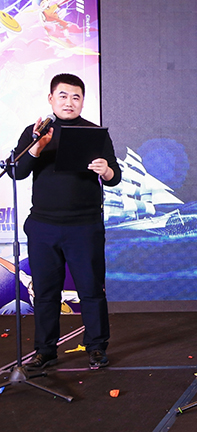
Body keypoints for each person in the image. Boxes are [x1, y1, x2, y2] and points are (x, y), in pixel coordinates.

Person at [11, 73, 121, 370]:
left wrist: (106, 170)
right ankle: (45, 350)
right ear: (51, 99)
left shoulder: (94, 133)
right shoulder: (35, 132)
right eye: (63, 96)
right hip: (43, 226)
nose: (69, 102)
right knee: (45, 292)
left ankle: (96, 347)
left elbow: (115, 177)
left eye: (76, 97)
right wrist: (36, 146)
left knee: (91, 290)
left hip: (84, 226)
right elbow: (17, 172)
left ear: (83, 101)